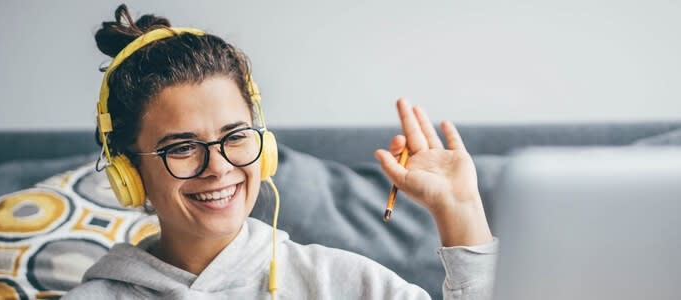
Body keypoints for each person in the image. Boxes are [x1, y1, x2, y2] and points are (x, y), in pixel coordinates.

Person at [64, 4, 497, 300]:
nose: (218, 167)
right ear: (128, 170)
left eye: (235, 137)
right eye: (181, 147)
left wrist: (460, 212)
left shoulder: (341, 283)